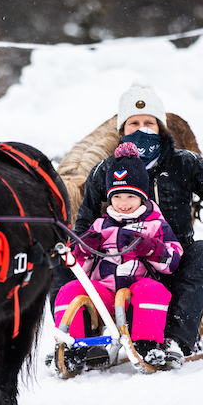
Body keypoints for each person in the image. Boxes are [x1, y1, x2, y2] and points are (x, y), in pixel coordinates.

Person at [62, 82, 203, 359]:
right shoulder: (105, 171)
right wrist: (82, 247)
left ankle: (175, 341)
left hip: (171, 262)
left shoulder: (184, 163)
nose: (142, 129)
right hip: (117, 264)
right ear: (122, 131)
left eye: (149, 122)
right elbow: (83, 226)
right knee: (61, 264)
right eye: (134, 123)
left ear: (161, 127)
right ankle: (76, 343)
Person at [55, 142, 184, 370]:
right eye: (117, 197)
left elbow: (173, 260)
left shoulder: (154, 224)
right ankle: (74, 347)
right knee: (70, 289)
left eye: (130, 197)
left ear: (143, 197)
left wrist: (151, 247)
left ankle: (147, 344)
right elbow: (80, 270)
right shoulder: (99, 225)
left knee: (152, 290)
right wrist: (84, 249)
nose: (123, 203)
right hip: (103, 292)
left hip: (136, 294)